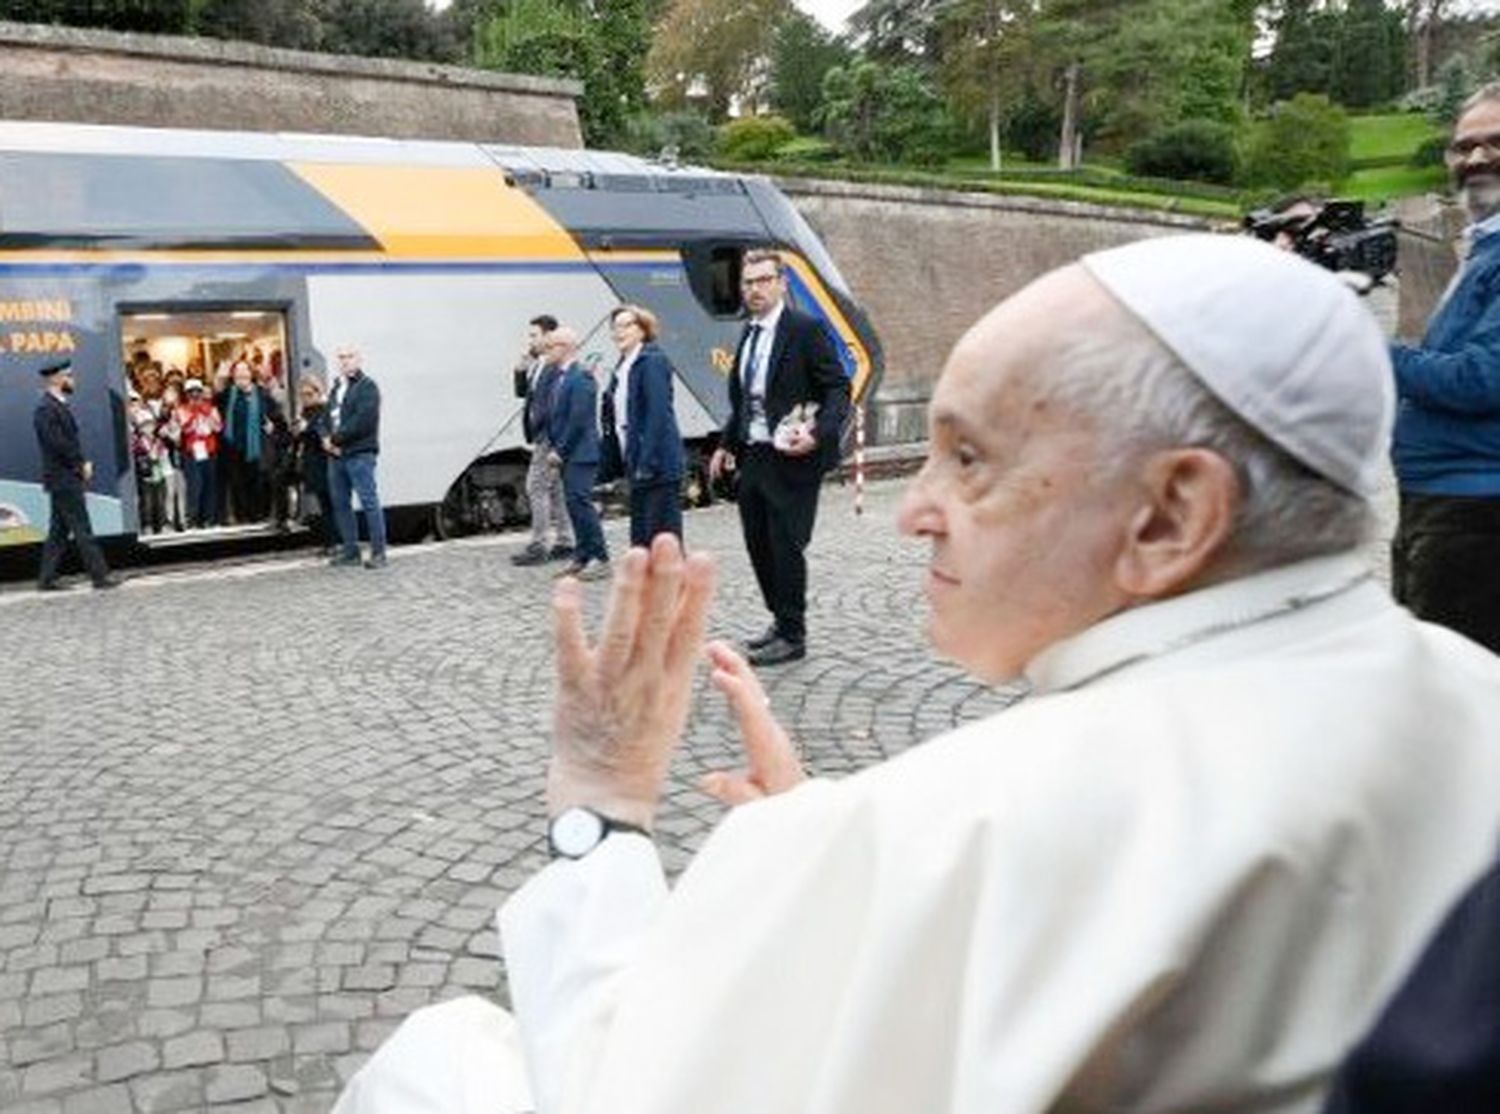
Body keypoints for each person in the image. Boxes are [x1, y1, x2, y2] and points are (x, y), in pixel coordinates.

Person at [335, 235, 1500, 1114]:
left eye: (972, 457)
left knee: (438, 1059)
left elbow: (629, 1082)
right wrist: (824, 828)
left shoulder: (959, 829)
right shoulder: (1471, 691)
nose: (917, 514)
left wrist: (601, 809)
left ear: (1173, 513)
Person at [1389, 82, 1500, 655]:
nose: (1477, 158)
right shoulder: (1485, 247)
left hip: (1475, 511)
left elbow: (1481, 379)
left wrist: (1370, 349)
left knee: (1454, 692)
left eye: (1495, 143)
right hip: (1439, 499)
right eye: (1464, 146)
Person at [708, 248, 850, 666]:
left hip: (793, 457)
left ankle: (794, 634)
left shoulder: (805, 329)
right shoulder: (749, 334)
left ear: (782, 283)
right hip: (754, 455)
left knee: (786, 546)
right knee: (759, 546)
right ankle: (780, 618)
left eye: (763, 280)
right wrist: (725, 445)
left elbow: (838, 389)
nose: (755, 289)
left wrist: (818, 434)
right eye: (748, 282)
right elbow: (745, 402)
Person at [602, 304, 685, 546]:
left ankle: (676, 583)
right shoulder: (623, 366)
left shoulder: (651, 361)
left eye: (626, 325)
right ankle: (653, 583)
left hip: (656, 465)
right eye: (615, 327)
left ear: (642, 330)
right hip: (636, 461)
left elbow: (657, 415)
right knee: (642, 540)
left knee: (662, 541)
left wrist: (647, 462)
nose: (619, 331)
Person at [33, 360, 117, 591]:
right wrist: (80, 464)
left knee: (59, 532)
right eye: (68, 375)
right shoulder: (46, 408)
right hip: (63, 478)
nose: (73, 379)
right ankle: (100, 577)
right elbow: (57, 444)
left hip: (64, 477)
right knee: (83, 528)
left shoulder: (57, 405)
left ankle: (46, 579)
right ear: (56, 379)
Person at [545, 327, 609, 581]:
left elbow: (579, 419)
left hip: (581, 453)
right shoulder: (559, 377)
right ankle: (582, 557)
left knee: (580, 503)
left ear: (564, 347)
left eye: (550, 346)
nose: (546, 351)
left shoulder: (580, 378)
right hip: (568, 453)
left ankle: (601, 558)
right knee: (573, 504)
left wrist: (560, 451)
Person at [512, 314, 575, 567]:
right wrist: (519, 369)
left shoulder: (552, 366)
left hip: (547, 436)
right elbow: (524, 395)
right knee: (556, 490)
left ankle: (539, 545)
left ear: (549, 336)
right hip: (542, 436)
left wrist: (550, 440)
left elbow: (553, 406)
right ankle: (565, 541)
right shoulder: (538, 364)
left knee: (535, 488)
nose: (530, 340)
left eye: (534, 335)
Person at [325, 345, 387, 570]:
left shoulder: (367, 387)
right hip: (336, 456)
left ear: (359, 360)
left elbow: (364, 421)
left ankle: (379, 553)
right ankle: (351, 552)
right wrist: (326, 438)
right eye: (341, 357)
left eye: (349, 357)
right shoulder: (336, 388)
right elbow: (324, 418)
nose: (345, 361)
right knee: (341, 504)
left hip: (359, 453)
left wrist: (335, 440)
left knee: (369, 502)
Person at [219, 359, 283, 525]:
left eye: (244, 370)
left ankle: (259, 516)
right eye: (237, 371)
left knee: (258, 481)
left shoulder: (262, 394)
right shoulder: (228, 394)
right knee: (237, 484)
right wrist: (220, 377)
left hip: (257, 447)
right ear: (233, 375)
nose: (241, 374)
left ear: (251, 373)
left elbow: (278, 419)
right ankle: (242, 517)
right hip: (232, 449)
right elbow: (214, 400)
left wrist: (273, 425)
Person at [295, 375, 337, 553]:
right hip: (312, 463)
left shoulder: (324, 409)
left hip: (325, 463)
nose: (306, 398)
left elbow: (323, 436)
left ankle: (335, 543)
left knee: (331, 504)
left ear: (318, 392)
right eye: (303, 395)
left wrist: (306, 429)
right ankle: (329, 543)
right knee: (323, 505)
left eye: (309, 393)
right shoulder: (305, 412)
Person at [177, 378, 221, 529]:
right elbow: (186, 429)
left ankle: (210, 518)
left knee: (210, 484)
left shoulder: (211, 408)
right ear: (186, 394)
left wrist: (205, 411)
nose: (195, 395)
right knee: (195, 485)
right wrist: (194, 412)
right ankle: (193, 520)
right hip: (192, 451)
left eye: (197, 392)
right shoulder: (181, 409)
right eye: (191, 393)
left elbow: (218, 428)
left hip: (210, 450)